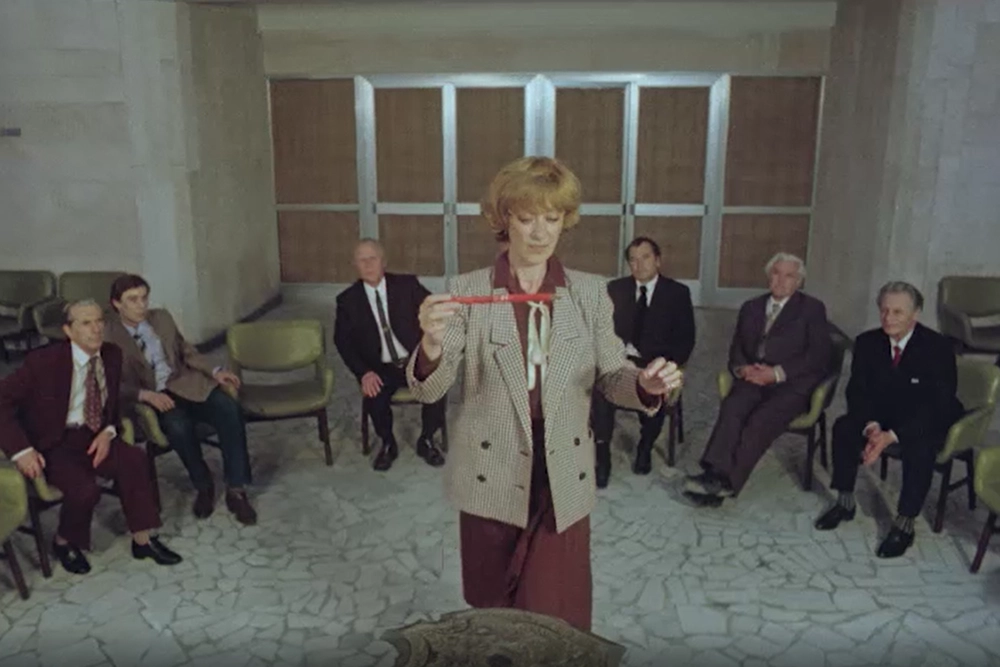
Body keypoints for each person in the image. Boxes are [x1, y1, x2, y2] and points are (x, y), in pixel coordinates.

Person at [407, 156, 683, 630]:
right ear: (504, 220)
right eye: (527, 218)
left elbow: (611, 375)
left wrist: (644, 384)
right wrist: (431, 343)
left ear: (565, 221)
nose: (540, 233)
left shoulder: (589, 293)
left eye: (552, 219)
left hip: (561, 469)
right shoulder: (468, 290)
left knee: (556, 607)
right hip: (492, 467)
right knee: (496, 607)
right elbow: (430, 386)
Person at [0, 300, 182, 574]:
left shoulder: (112, 355)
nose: (96, 329)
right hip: (55, 442)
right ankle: (64, 541)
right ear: (68, 331)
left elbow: (110, 404)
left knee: (134, 459)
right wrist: (21, 450)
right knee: (85, 490)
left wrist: (108, 432)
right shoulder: (43, 362)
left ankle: (143, 540)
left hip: (94, 434)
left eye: (99, 321)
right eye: (86, 323)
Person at [815, 281, 964, 558]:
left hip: (926, 417)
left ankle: (905, 524)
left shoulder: (938, 347)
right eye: (884, 310)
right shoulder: (867, 342)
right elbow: (857, 391)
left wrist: (891, 436)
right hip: (883, 414)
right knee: (844, 427)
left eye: (897, 312)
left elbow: (938, 404)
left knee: (920, 448)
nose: (888, 318)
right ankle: (845, 502)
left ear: (915, 314)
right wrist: (872, 427)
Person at [104, 275, 256, 525]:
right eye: (133, 300)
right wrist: (144, 395)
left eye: (144, 298)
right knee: (178, 426)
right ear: (116, 304)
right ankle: (203, 484)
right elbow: (108, 382)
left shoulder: (161, 318)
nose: (141, 305)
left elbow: (186, 350)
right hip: (152, 395)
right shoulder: (108, 334)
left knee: (229, 408)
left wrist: (215, 371)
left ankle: (236, 489)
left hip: (184, 382)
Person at [685, 253, 830, 503]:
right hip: (753, 378)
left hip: (790, 384)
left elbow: (818, 356)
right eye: (776, 273)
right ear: (767, 276)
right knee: (733, 407)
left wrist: (776, 373)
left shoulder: (812, 309)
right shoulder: (751, 307)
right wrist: (743, 369)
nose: (781, 280)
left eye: (789, 276)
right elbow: (737, 349)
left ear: (799, 282)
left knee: (759, 420)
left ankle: (727, 483)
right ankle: (714, 474)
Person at [590, 236, 695, 486]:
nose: (639, 265)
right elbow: (600, 331)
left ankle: (645, 447)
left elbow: (686, 340)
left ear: (658, 261)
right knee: (599, 388)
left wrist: (666, 367)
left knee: (655, 387)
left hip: (655, 363)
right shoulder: (615, 289)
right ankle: (602, 455)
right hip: (619, 360)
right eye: (633, 260)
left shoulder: (677, 293)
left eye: (646, 258)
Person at [335, 239, 446, 471]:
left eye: (372, 258)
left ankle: (426, 439)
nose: (368, 264)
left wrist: (433, 348)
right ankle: (387, 443)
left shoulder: (407, 286)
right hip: (380, 367)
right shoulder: (347, 300)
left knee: (438, 383)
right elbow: (343, 342)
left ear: (383, 261)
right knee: (374, 393)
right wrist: (363, 373)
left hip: (415, 361)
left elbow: (434, 312)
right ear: (354, 265)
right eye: (362, 260)